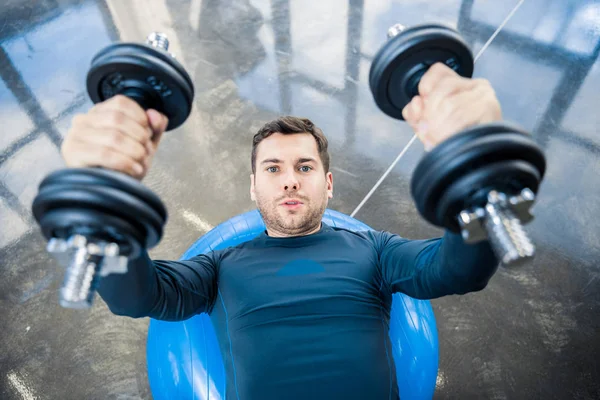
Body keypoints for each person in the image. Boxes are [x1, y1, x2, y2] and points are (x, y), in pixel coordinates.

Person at [61, 63, 502, 399]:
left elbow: (458, 270)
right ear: (254, 187)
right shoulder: (220, 267)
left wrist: (477, 180)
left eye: (304, 167)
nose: (289, 179)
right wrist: (106, 212)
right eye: (273, 168)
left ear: (328, 185)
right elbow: (136, 297)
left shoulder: (375, 251)